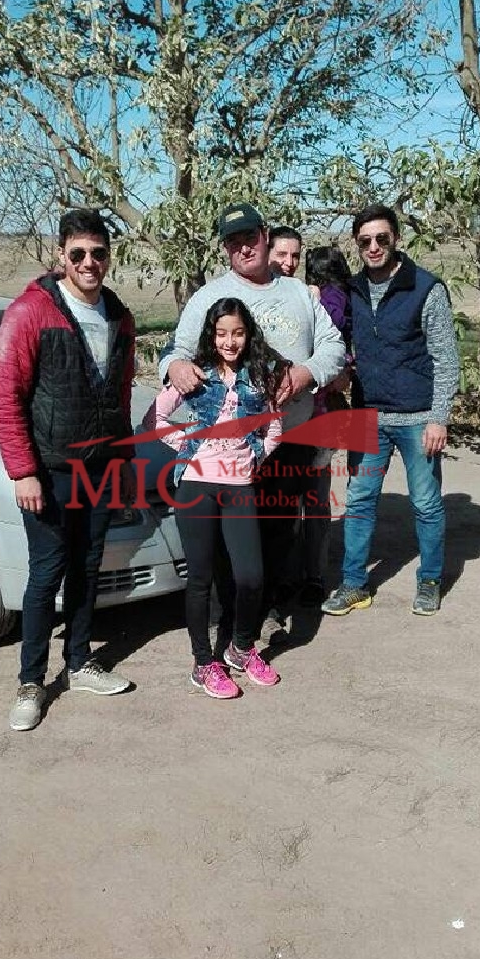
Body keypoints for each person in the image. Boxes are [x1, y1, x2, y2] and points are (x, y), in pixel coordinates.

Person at [159, 200, 346, 640]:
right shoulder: (209, 297)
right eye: (233, 242)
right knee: (231, 542)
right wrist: (175, 366)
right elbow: (176, 350)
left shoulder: (299, 293)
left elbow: (334, 346)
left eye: (250, 237)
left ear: (265, 235)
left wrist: (305, 374)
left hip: (289, 436)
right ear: (226, 249)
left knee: (280, 531)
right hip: (229, 449)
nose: (244, 248)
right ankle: (230, 619)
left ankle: (267, 611)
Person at [0, 208, 137, 732]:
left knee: (88, 567)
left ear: (108, 256)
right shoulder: (30, 312)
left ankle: (79, 662)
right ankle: (31, 682)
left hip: (100, 468)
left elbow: (120, 396)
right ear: (61, 256)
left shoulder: (119, 315)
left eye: (98, 253)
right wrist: (23, 471)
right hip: (51, 470)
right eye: (78, 253)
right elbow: (6, 397)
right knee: (47, 571)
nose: (88, 262)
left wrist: (124, 461)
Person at [321, 203, 459, 618]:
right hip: (368, 415)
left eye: (382, 238)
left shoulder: (426, 288)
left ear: (396, 238)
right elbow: (337, 335)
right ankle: (353, 584)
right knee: (359, 500)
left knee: (426, 503)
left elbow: (446, 359)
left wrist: (438, 417)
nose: (374, 246)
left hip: (418, 417)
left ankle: (430, 580)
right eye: (365, 240)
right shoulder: (353, 289)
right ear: (356, 244)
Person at [146, 298, 285, 697]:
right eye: (222, 333)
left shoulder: (259, 376)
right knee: (200, 579)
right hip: (197, 485)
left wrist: (255, 456)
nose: (230, 341)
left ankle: (240, 648)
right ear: (211, 335)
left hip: (239, 486)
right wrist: (187, 445)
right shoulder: (195, 374)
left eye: (237, 333)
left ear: (248, 335)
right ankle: (203, 663)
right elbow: (156, 419)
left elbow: (274, 428)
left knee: (251, 576)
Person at [300, 246, 353, 607]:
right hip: (313, 411)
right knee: (308, 501)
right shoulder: (345, 295)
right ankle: (306, 574)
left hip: (316, 407)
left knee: (312, 499)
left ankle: (310, 575)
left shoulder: (327, 298)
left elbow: (329, 339)